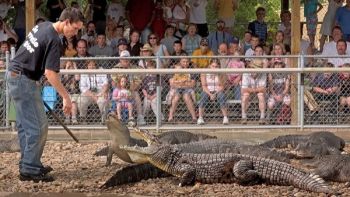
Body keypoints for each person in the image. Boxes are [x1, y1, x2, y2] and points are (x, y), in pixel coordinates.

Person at [7, 7, 84, 182]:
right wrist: (66, 97)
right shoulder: (54, 39)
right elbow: (50, 73)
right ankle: (30, 169)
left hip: (16, 75)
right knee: (38, 127)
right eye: (75, 28)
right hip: (23, 79)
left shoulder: (44, 26)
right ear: (66, 22)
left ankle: (28, 163)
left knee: (25, 126)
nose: (75, 32)